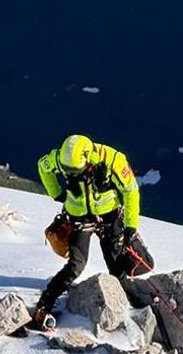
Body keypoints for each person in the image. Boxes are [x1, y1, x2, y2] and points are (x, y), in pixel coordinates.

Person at [29, 134, 150, 332]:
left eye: (75, 170)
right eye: (67, 170)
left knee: (116, 265)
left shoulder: (112, 160)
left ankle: (133, 300)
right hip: (81, 219)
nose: (71, 173)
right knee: (76, 265)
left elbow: (130, 191)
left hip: (106, 218)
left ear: (87, 158)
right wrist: (56, 193)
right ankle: (45, 304)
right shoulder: (62, 158)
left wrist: (130, 226)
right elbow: (44, 166)